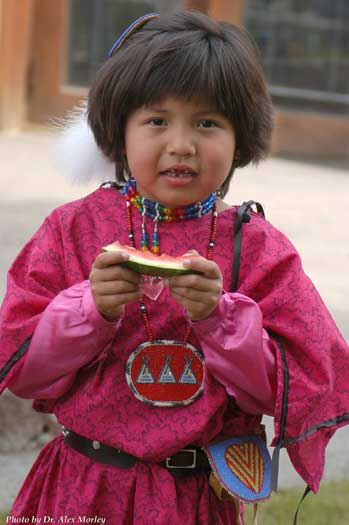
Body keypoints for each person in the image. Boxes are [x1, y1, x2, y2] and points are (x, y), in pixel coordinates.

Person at [0, 10, 348, 525]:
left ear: (241, 139)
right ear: (118, 131)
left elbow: (304, 381)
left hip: (196, 499)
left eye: (208, 123)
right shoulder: (73, 230)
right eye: (156, 121)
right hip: (82, 486)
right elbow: (21, 367)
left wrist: (221, 320)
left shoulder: (257, 248)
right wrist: (88, 311)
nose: (181, 144)